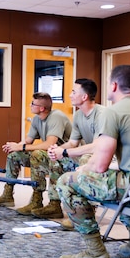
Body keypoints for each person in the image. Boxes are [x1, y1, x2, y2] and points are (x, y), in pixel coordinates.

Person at [57, 65, 130, 258]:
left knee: (66, 182)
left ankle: (95, 253)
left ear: (114, 85)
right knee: (120, 181)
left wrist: (83, 169)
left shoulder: (113, 112)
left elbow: (99, 166)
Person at [0, 92, 72, 216]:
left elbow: (49, 144)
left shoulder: (56, 117)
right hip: (52, 155)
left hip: (67, 157)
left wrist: (21, 146)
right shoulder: (37, 119)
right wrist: (15, 147)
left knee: (37, 154)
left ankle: (49, 204)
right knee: (14, 155)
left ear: (42, 108)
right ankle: (8, 195)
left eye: (33, 103)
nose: (30, 105)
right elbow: (27, 141)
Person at [37, 79, 104, 223]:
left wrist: (66, 152)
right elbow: (73, 143)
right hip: (87, 154)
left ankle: (86, 213)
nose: (70, 95)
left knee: (87, 157)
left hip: (105, 159)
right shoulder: (79, 115)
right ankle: (54, 205)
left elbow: (97, 147)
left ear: (84, 97)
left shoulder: (101, 114)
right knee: (57, 161)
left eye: (73, 92)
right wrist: (58, 150)